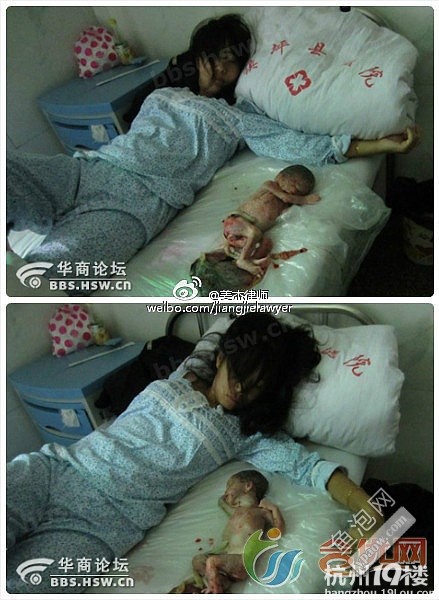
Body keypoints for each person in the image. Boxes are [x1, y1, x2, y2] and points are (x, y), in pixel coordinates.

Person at [7, 312, 384, 594]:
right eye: (238, 375)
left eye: (255, 388)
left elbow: (310, 468)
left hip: (106, 521)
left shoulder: (243, 433)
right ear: (220, 358)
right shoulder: (180, 377)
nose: (240, 391)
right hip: (57, 469)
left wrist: (366, 507)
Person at [6, 84, 420, 291]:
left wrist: (381, 144)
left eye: (230, 64)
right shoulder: (161, 93)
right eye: (214, 60)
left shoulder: (237, 118)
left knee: (41, 277)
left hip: (137, 201)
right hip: (89, 168)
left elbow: (299, 147)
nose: (220, 72)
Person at [195, 164, 319, 280]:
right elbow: (286, 197)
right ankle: (243, 260)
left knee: (266, 243)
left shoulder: (286, 203)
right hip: (237, 221)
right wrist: (304, 199)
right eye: (293, 185)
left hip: (243, 233)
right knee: (255, 233)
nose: (293, 191)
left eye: (299, 191)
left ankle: (246, 259)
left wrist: (296, 202)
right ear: (280, 177)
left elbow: (286, 206)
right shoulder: (270, 186)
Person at [123, 13, 252, 124]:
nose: (221, 68)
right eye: (212, 58)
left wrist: (206, 94)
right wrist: (204, 91)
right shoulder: (181, 74)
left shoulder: (239, 92)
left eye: (231, 61)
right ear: (198, 59)